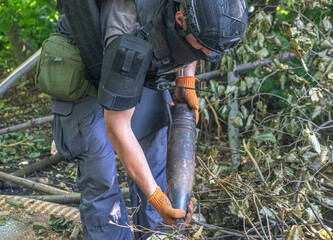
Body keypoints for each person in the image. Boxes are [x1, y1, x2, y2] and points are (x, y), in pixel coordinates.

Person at [52, 0, 248, 239]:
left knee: (154, 153)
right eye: (206, 48)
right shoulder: (127, 36)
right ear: (179, 19)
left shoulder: (192, 12)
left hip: (142, 59)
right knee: (101, 175)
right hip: (89, 66)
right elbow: (117, 128)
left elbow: (197, 35)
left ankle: (157, 233)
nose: (209, 54)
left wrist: (185, 78)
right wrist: (156, 197)